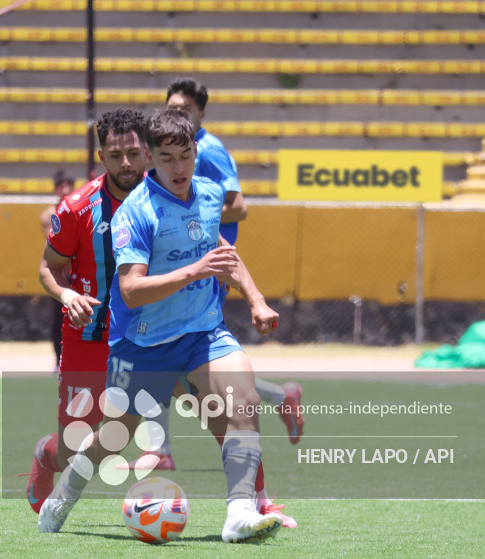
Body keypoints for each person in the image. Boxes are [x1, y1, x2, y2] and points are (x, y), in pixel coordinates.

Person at [39, 109, 284, 543]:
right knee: (114, 437)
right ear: (153, 159)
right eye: (167, 158)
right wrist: (195, 271)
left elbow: (223, 251)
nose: (178, 166)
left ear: (195, 153)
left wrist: (256, 299)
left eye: (185, 155)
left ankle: (240, 512)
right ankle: (66, 490)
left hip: (201, 332)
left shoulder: (209, 193)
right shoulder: (134, 213)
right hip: (143, 344)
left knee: (241, 401)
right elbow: (131, 290)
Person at [122, 79, 304, 490]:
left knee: (195, 375)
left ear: (201, 114)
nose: (179, 166)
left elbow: (238, 206)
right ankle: (274, 403)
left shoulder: (211, 151)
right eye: (173, 106)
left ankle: (177, 455)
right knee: (188, 377)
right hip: (180, 269)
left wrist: (197, 231)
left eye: (186, 108)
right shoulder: (151, 181)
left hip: (208, 272)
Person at [26, 109, 149, 515]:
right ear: (102, 156)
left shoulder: (167, 200)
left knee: (218, 403)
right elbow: (48, 267)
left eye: (133, 152)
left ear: (147, 152)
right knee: (72, 447)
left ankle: (255, 502)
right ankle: (46, 455)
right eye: (116, 155)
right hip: (88, 340)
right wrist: (66, 296)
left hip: (149, 338)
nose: (126, 163)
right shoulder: (77, 209)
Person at [39, 171, 76, 371]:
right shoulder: (48, 215)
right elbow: (57, 244)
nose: (66, 189)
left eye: (70, 184)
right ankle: (58, 360)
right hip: (61, 276)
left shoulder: (80, 209)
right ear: (55, 189)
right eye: (62, 185)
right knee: (58, 320)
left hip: (79, 274)